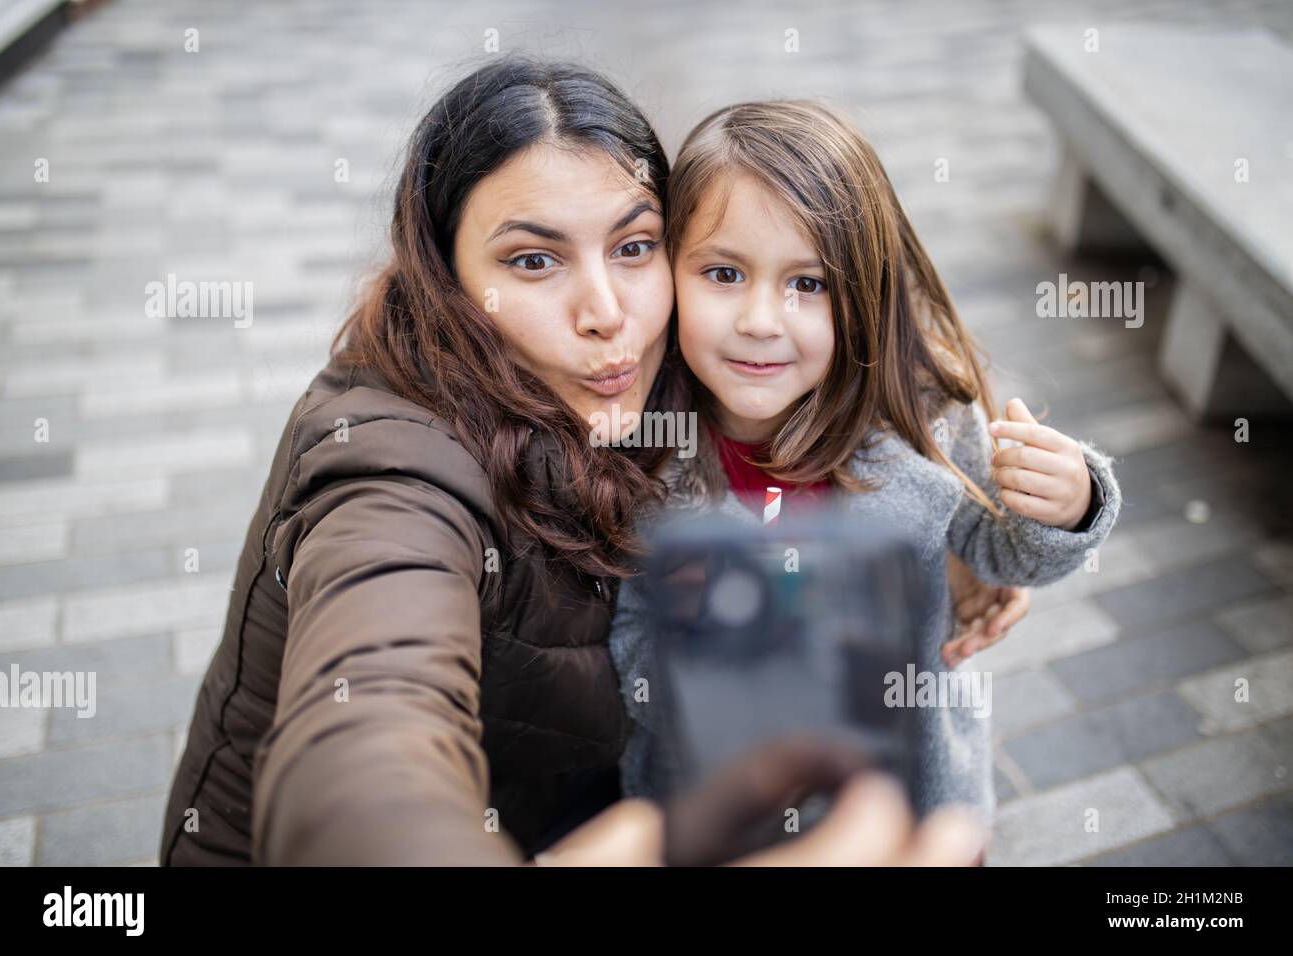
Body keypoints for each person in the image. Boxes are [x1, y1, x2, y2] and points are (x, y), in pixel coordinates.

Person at [160, 58, 1016, 867]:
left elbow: (840, 338)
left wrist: (950, 538)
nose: (607, 313)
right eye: (533, 261)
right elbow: (361, 752)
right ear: (446, 278)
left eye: (635, 246)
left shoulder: (662, 367)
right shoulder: (394, 470)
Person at [610, 100, 1123, 837]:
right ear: (669, 273)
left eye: (808, 284)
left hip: (908, 806)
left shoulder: (920, 419)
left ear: (864, 294)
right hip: (725, 818)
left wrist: (1067, 505)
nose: (761, 318)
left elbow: (1003, 551)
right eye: (724, 272)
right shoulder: (646, 455)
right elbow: (629, 643)